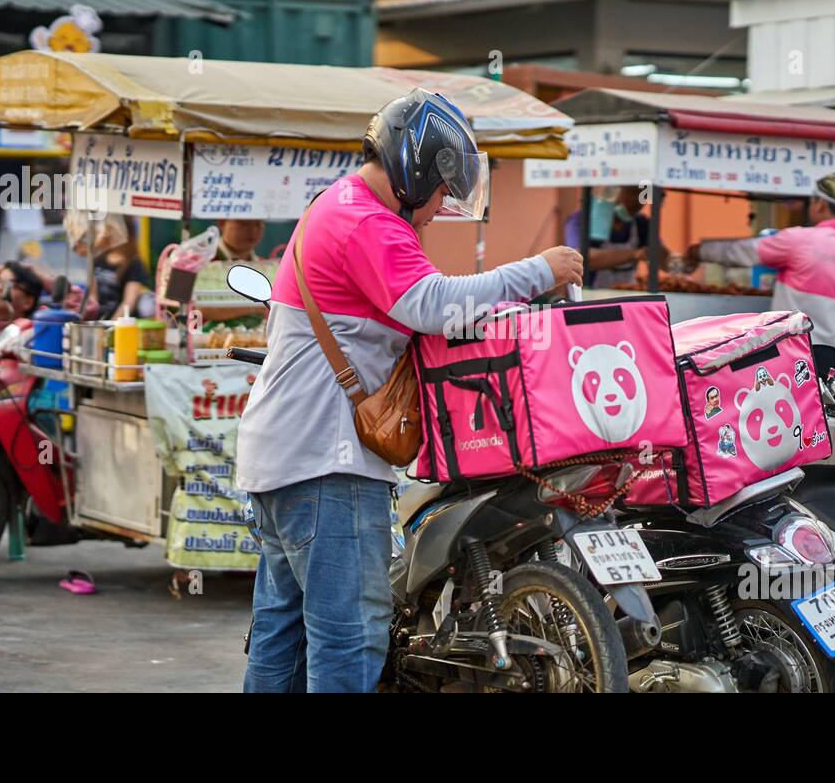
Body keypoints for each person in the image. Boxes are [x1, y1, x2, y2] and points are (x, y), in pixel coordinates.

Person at [235, 89, 582, 693]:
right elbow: (433, 304)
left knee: (282, 637)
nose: (441, 206)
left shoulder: (335, 204)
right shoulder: (366, 221)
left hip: (282, 459)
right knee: (348, 637)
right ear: (418, 170)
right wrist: (539, 271)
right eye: (444, 191)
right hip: (326, 465)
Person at [690, 172, 835, 358]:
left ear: (820, 204)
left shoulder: (800, 240)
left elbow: (743, 251)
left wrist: (698, 250)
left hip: (798, 363)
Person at [563, 186, 668, 288]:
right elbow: (581, 259)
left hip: (626, 297)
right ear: (612, 192)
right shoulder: (581, 220)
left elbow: (664, 260)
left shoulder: (641, 223)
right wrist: (635, 254)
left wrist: (675, 261)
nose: (639, 202)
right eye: (634, 193)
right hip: (588, 298)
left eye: (645, 196)